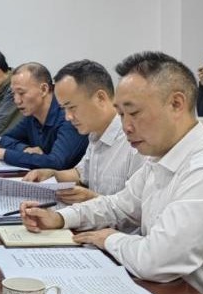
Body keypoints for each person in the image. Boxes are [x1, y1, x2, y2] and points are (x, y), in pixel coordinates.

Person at [22, 51, 203, 294]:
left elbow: (158, 261)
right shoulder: (161, 156)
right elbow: (118, 205)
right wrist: (61, 218)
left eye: (134, 113)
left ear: (176, 104)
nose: (126, 126)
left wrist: (109, 238)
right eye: (121, 114)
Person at [24, 60, 143, 204]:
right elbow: (81, 173)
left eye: (72, 107)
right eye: (64, 109)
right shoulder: (95, 133)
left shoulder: (135, 142)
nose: (68, 117)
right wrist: (53, 174)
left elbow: (137, 209)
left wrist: (92, 199)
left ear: (100, 98)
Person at [0, 62, 87, 170]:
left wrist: (3, 154)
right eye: (14, 94)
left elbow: (56, 162)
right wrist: (24, 149)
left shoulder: (69, 117)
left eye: (21, 93)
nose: (17, 100)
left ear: (44, 89)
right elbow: (6, 138)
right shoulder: (32, 114)